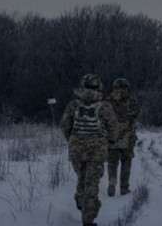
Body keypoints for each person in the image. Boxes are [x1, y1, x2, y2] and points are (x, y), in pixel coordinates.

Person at [61, 74, 118, 226]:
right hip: (97, 151)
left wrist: (73, 140)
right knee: (92, 184)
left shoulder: (73, 105)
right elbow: (113, 129)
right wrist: (110, 141)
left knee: (82, 178)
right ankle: (88, 219)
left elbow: (65, 126)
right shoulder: (105, 106)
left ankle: (81, 201)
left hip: (76, 151)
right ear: (98, 87)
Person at [106, 78, 141, 196]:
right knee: (126, 161)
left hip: (111, 136)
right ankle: (124, 187)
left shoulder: (107, 102)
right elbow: (136, 114)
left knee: (112, 162)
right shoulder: (131, 102)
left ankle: (112, 183)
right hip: (127, 136)